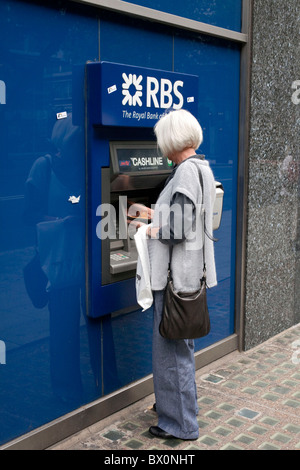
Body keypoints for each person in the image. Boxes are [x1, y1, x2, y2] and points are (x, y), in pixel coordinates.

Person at [145, 109, 217, 440]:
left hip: (176, 279)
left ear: (171, 140)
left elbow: (177, 228)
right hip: (189, 276)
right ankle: (179, 410)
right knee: (180, 350)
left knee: (171, 353)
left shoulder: (185, 171)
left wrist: (149, 229)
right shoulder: (200, 166)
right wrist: (157, 213)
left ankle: (181, 425)